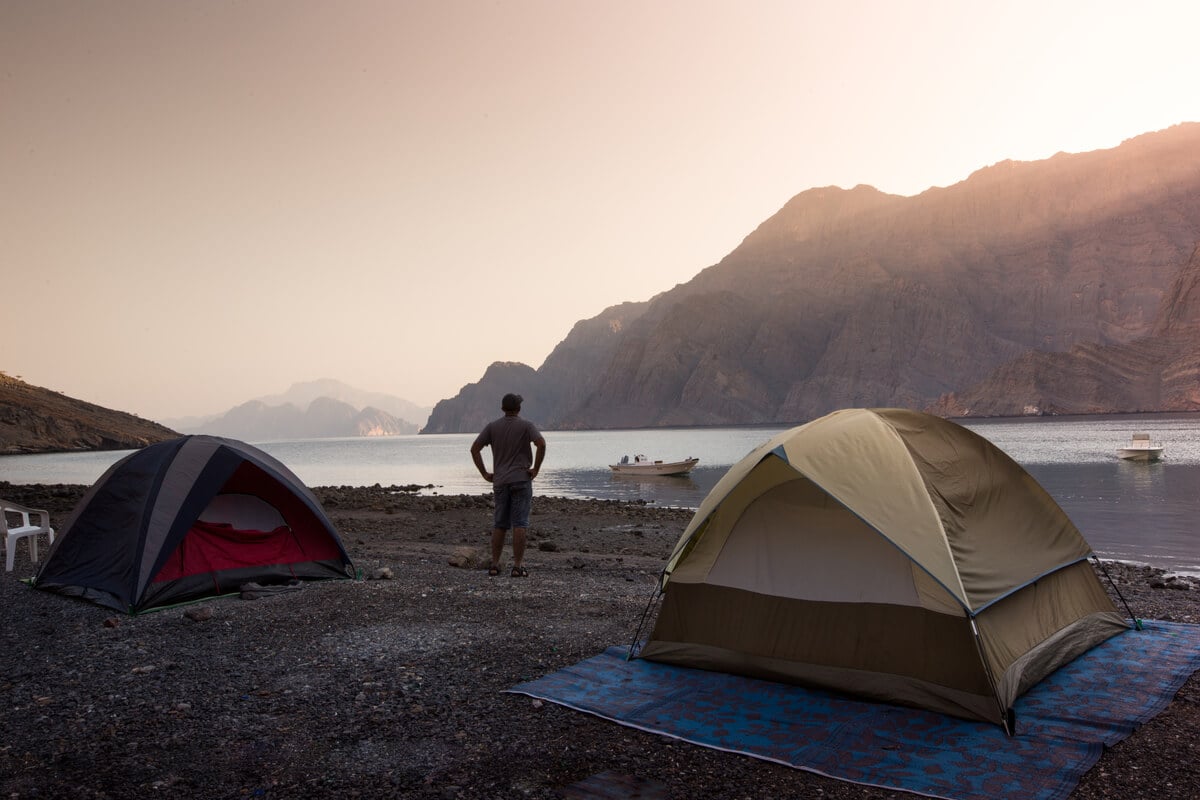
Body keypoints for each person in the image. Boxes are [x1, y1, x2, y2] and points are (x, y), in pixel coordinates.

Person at [470, 393, 546, 577]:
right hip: (521, 479)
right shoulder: (526, 426)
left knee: (500, 524)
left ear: (503, 408)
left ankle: (495, 565)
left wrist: (485, 474)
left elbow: (474, 449)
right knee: (520, 523)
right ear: (518, 408)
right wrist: (535, 468)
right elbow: (541, 444)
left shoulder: (492, 427)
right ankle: (517, 567)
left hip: (501, 481)